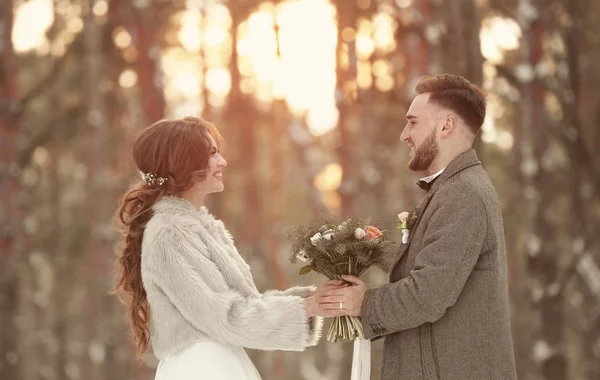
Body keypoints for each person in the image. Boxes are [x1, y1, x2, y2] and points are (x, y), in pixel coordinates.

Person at [318, 74, 518, 379]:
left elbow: (427, 295)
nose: (404, 135)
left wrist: (366, 303)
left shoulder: (462, 194)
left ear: (446, 126)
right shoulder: (454, 188)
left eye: (413, 122)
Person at [113, 117, 337, 379]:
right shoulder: (170, 233)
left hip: (218, 362)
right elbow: (224, 317)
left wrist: (309, 302)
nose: (222, 161)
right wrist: (306, 309)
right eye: (211, 154)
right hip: (201, 368)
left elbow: (244, 305)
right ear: (184, 162)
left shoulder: (199, 227)